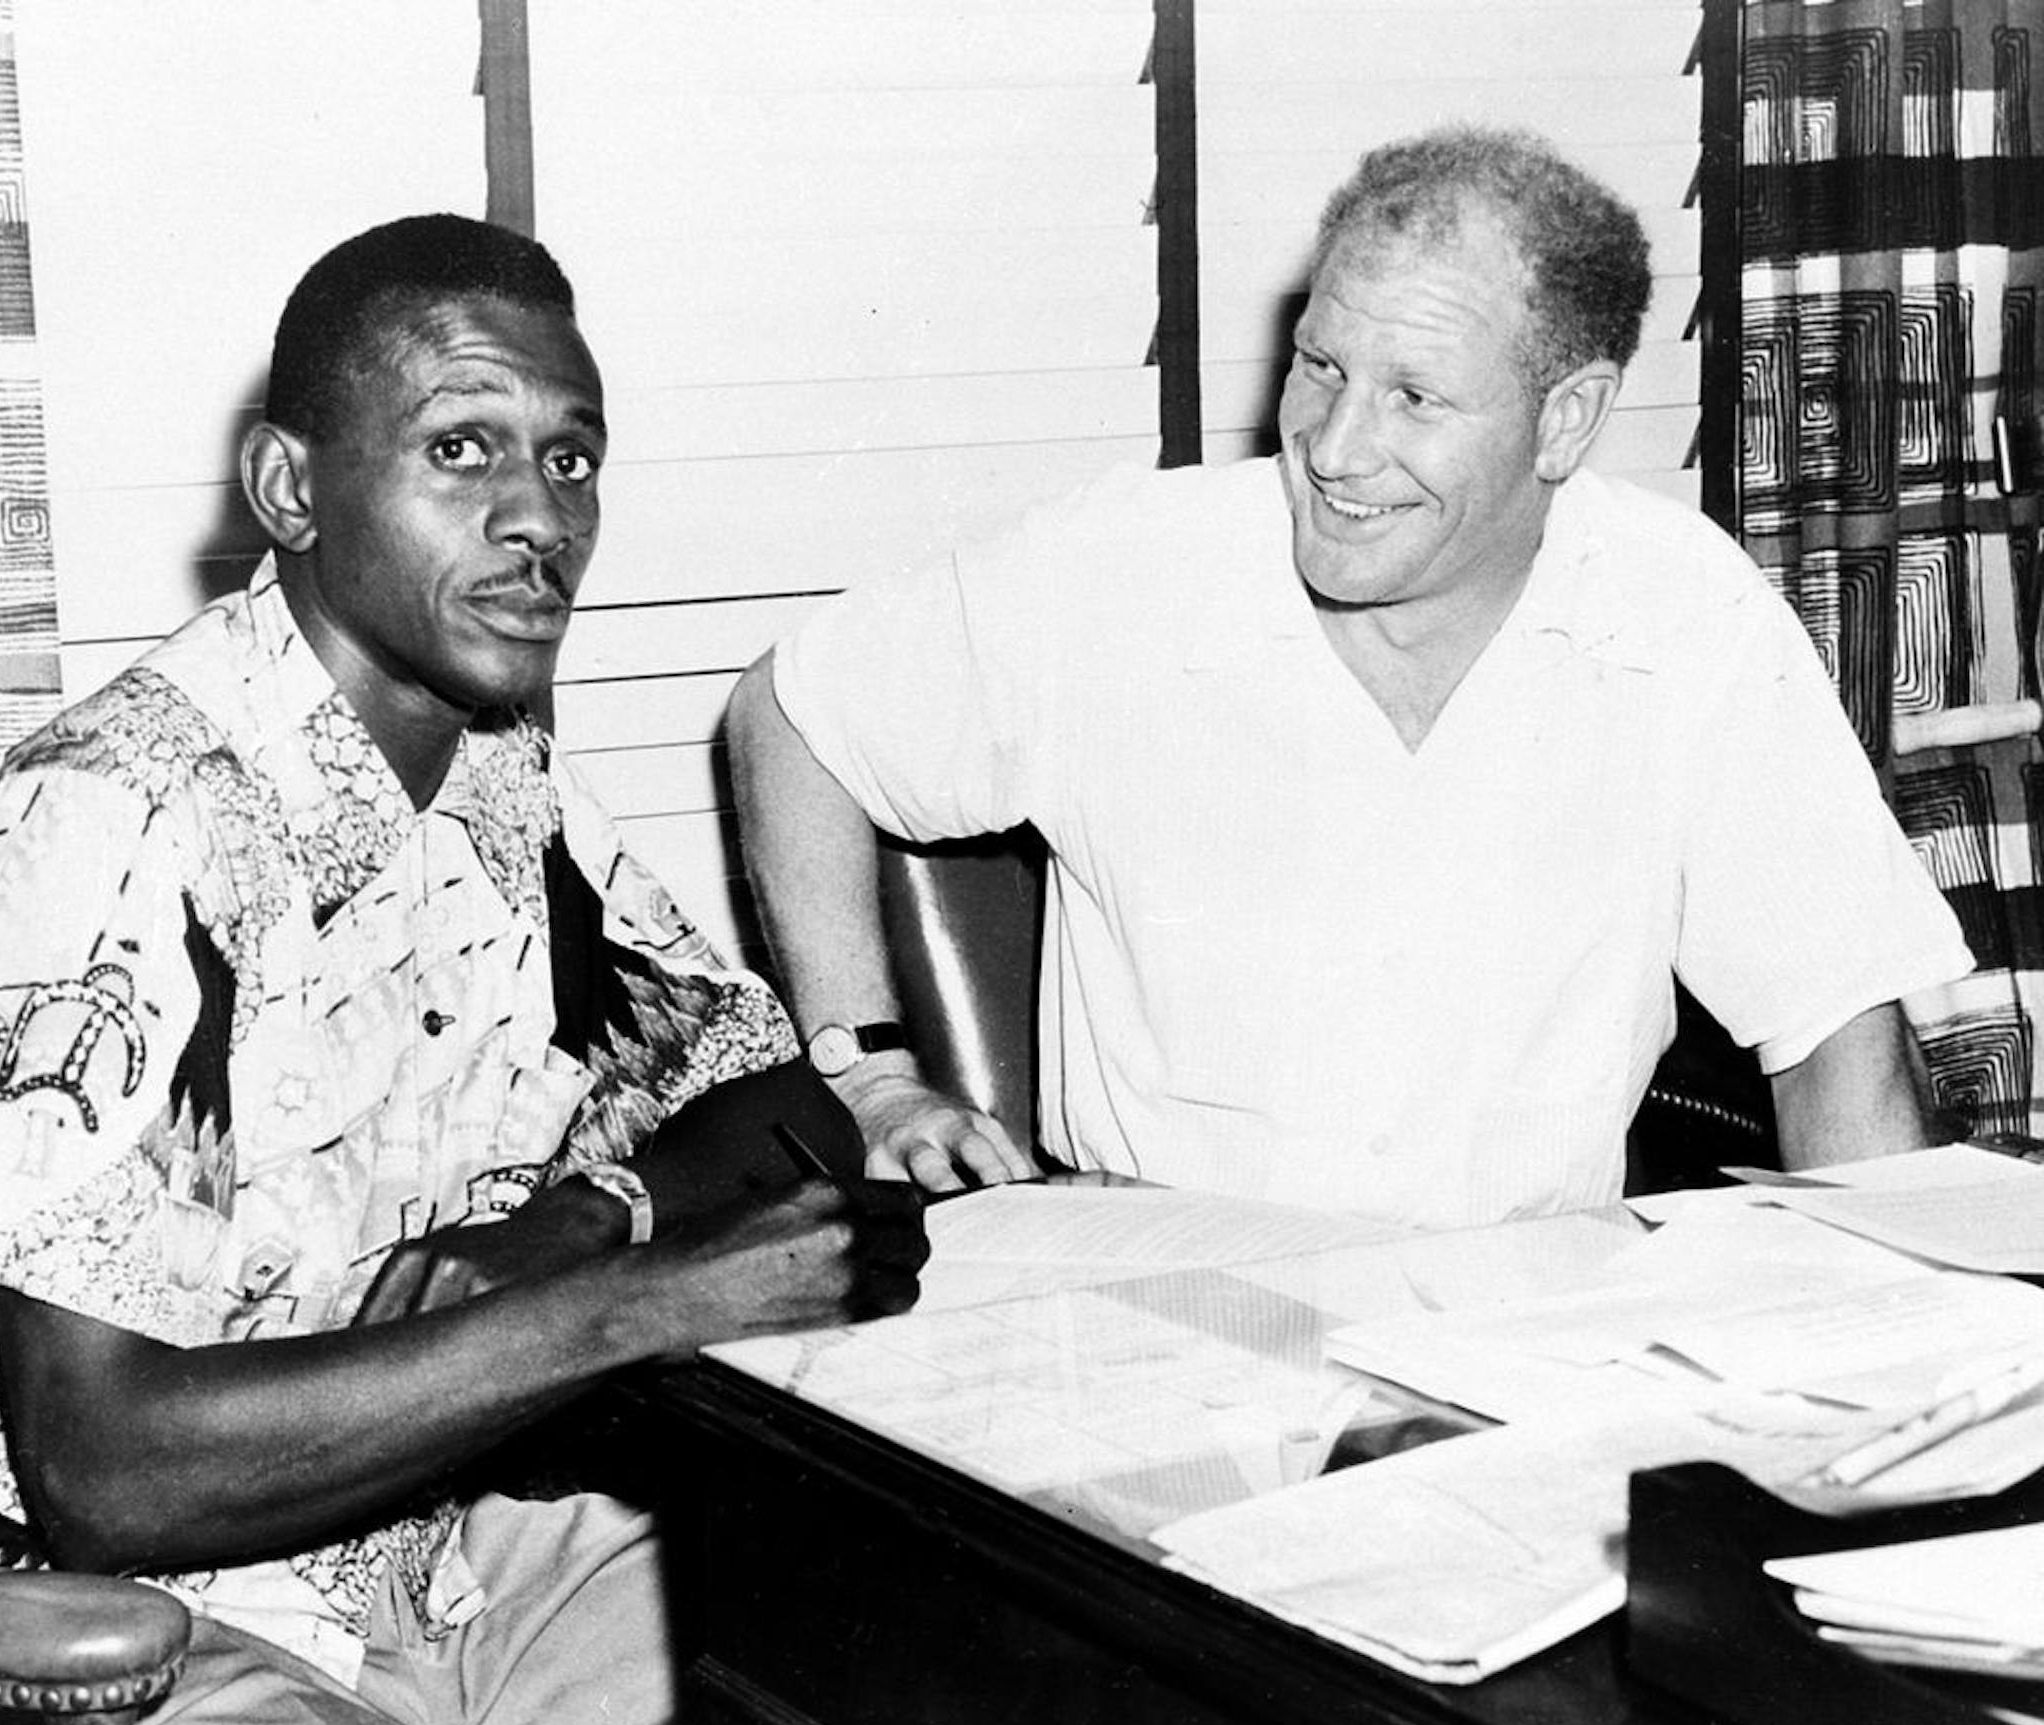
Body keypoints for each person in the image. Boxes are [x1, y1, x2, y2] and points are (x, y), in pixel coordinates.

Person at [0, 214, 926, 1725]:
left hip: (402, 1571)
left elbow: (778, 1104)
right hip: (63, 1641)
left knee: (901, 1677)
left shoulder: (501, 790)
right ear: (293, 490)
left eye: (571, 461)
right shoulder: (112, 819)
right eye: (464, 451)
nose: (538, 520)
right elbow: (106, 1466)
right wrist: (630, 1305)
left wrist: (580, 1221)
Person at [725, 125, 1974, 1227]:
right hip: (1156, 1308)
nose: (1332, 448)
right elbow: (793, 711)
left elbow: (1836, 1036)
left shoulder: (1684, 619)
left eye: (1414, 395)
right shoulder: (1119, 570)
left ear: (1565, 420)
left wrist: (1884, 1380)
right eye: (1321, 365)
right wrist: (870, 1071)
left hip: (1524, 1325)